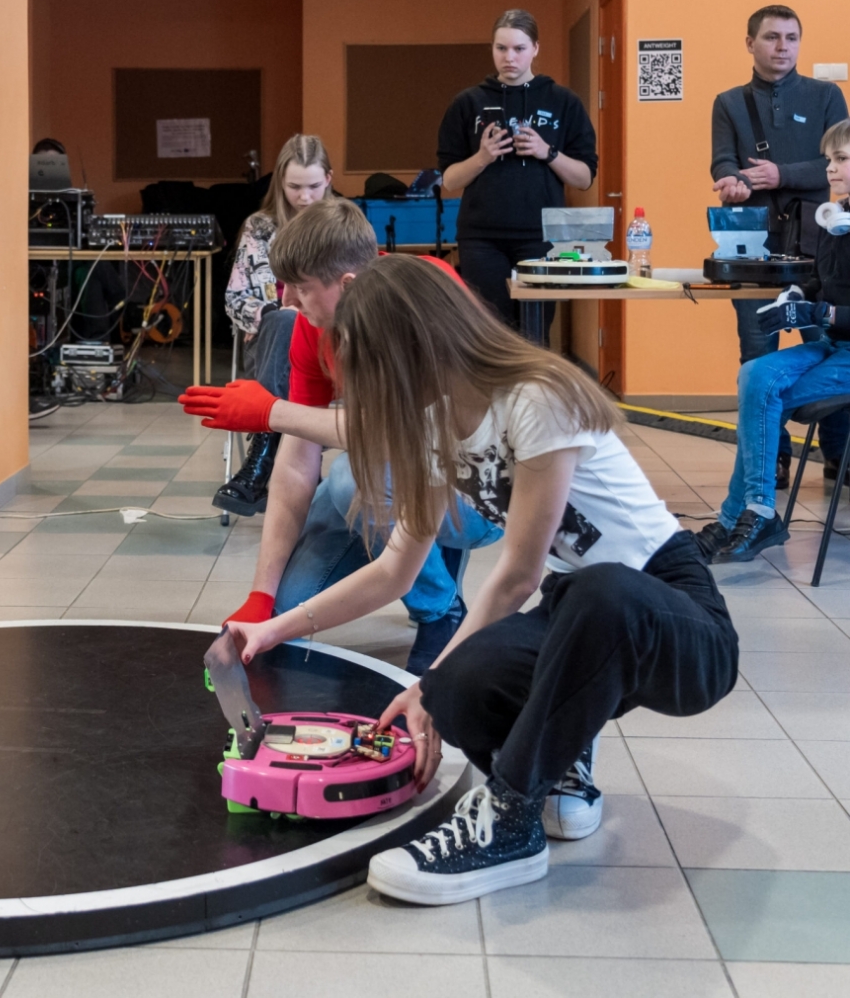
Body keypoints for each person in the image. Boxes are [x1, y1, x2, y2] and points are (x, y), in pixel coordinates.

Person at [210, 255, 736, 905]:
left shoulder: (536, 393)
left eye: (370, 366)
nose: (366, 387)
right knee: (455, 691)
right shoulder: (434, 427)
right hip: (580, 613)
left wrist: (426, 681)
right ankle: (561, 756)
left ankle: (508, 820)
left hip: (676, 615)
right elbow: (393, 570)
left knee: (595, 592)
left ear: (412, 345)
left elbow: (516, 574)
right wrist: (272, 626)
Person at [181, 200, 500, 675]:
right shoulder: (314, 326)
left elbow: (408, 432)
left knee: (357, 474)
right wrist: (260, 596)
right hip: (409, 479)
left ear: (347, 284)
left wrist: (271, 411)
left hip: (475, 495)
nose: (288, 302)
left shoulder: (425, 294)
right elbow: (295, 463)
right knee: (292, 604)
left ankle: (442, 611)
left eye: (302, 289)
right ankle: (430, 568)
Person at [712, 4, 850, 490]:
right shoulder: (728, 102)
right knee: (757, 351)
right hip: (753, 247)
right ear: (750, 43)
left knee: (826, 347)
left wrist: (780, 175)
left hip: (821, 244)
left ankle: (839, 457)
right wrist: (730, 183)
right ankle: (772, 462)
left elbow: (835, 165)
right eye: (772, 37)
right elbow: (723, 162)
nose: (783, 47)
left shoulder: (827, 95)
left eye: (792, 37)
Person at [700, 120, 850, 563]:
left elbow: (831, 309)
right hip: (833, 345)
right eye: (829, 160)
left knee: (764, 397)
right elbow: (820, 283)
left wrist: (825, 314)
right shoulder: (833, 221)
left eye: (841, 159)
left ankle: (742, 516)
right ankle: (754, 514)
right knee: (755, 373)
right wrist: (797, 297)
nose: (830, 170)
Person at [437, 8, 597, 341]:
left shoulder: (563, 101)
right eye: (501, 48)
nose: (509, 57)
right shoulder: (467, 103)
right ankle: (493, 395)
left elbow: (583, 178)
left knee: (535, 334)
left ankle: (533, 395)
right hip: (482, 237)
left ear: (535, 49)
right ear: (492, 49)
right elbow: (449, 182)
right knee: (489, 334)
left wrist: (547, 152)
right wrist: (482, 157)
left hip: (540, 235)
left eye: (519, 49)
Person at [215, 134, 334, 516]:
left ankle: (260, 462)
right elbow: (235, 298)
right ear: (279, 182)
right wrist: (271, 315)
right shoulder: (260, 227)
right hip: (272, 341)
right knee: (284, 321)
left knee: (294, 321)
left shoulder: (341, 225)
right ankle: (290, 464)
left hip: (330, 346)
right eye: (294, 187)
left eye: (313, 187)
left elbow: (363, 291)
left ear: (329, 180)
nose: (304, 197)